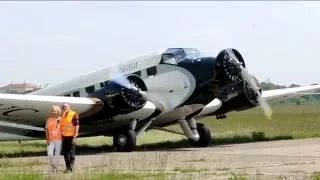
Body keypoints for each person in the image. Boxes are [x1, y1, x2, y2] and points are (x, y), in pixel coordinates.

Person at [60, 103, 79, 173]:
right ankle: (68, 168)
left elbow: (77, 125)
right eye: (63, 107)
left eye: (65, 106)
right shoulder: (63, 115)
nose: (64, 108)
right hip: (64, 137)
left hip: (71, 137)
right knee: (65, 154)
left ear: (69, 107)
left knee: (72, 153)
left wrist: (75, 136)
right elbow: (61, 126)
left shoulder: (73, 114)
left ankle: (71, 168)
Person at [45, 105, 62, 174]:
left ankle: (55, 168)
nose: (53, 112)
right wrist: (47, 139)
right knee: (50, 154)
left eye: (54, 111)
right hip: (50, 139)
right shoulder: (49, 120)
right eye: (52, 111)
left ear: (58, 111)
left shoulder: (62, 119)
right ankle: (53, 165)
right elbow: (46, 130)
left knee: (57, 154)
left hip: (59, 139)